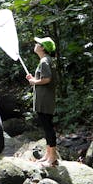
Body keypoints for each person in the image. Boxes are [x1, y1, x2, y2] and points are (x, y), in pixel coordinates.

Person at [26, 36, 60, 167]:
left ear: (43, 48)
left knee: (48, 127)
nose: (35, 44)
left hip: (45, 99)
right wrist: (34, 79)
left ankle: (52, 158)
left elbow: (47, 79)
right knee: (47, 127)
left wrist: (34, 81)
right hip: (44, 98)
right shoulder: (46, 60)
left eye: (38, 43)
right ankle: (48, 154)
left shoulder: (45, 61)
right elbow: (43, 78)